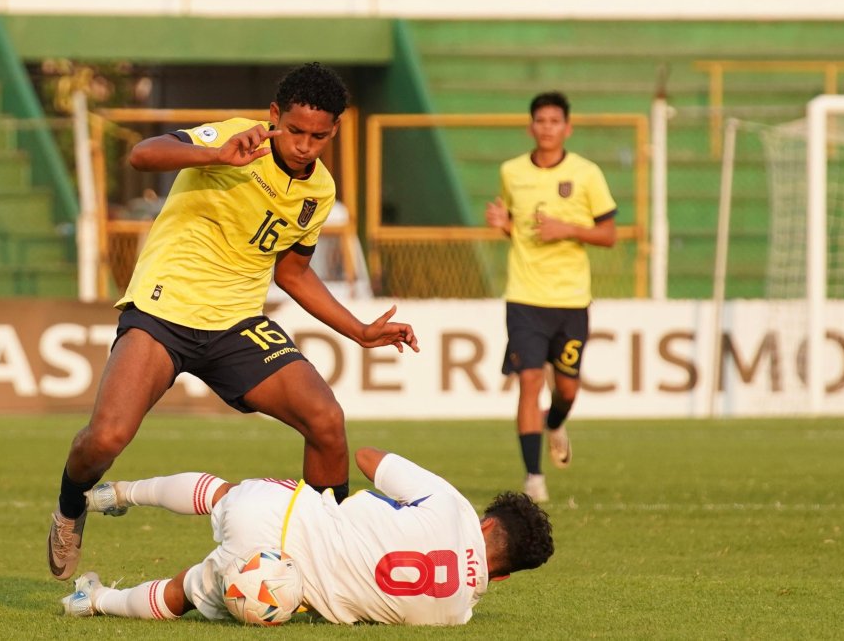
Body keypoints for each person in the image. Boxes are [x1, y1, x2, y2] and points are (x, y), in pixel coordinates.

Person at [48, 63, 419, 580]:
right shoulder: (233, 137)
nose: (305, 145)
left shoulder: (320, 192)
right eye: (294, 131)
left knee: (327, 422)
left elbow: (292, 271)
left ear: (334, 130)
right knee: (107, 439)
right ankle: (69, 508)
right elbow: (142, 154)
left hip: (236, 323)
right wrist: (213, 154)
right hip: (164, 309)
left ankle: (331, 559)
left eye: (319, 136)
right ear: (274, 116)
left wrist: (358, 330)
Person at [59, 446, 554, 625]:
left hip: (285, 516)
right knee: (184, 591)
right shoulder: (455, 615)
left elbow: (368, 458)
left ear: (487, 522)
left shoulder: (451, 505)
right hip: (286, 589)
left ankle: (116, 494)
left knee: (223, 494)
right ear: (503, 578)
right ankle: (93, 601)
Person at [485, 91, 617, 503]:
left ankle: (556, 423)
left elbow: (609, 234)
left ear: (567, 128)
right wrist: (503, 225)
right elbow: (517, 226)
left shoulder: (587, 174)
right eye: (540, 121)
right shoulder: (511, 172)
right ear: (531, 127)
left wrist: (568, 229)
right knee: (528, 382)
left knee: (567, 391)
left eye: (554, 121)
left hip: (571, 300)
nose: (547, 128)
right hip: (524, 297)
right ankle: (534, 478)